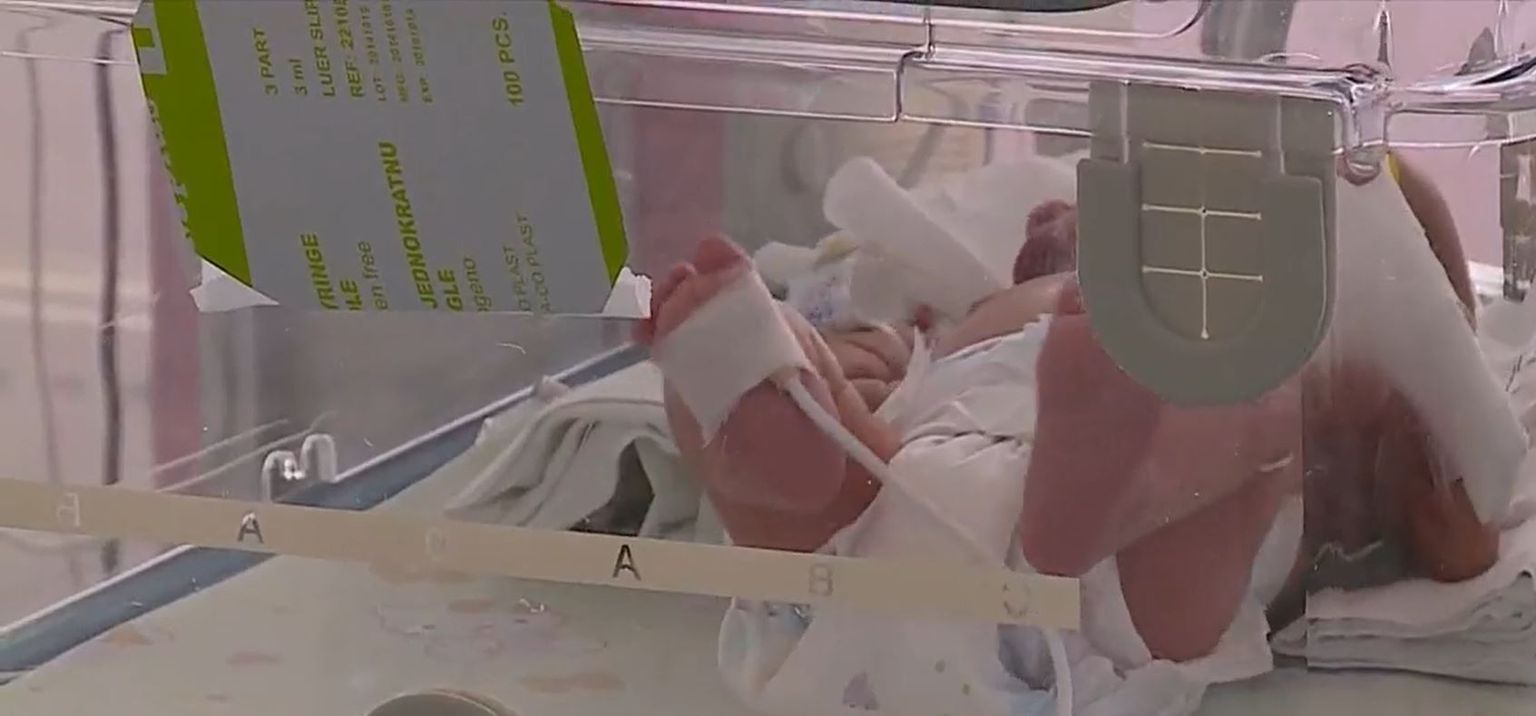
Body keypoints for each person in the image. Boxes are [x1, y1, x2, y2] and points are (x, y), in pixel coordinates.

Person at [635, 153, 1499, 666]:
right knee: (839, 410)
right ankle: (768, 389)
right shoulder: (1001, 315)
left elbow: (1460, 528)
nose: (1057, 207)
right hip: (997, 547)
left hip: (900, 557)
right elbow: (897, 362)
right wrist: (860, 361)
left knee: (1250, 412)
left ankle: (759, 392)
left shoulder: (1302, 376)